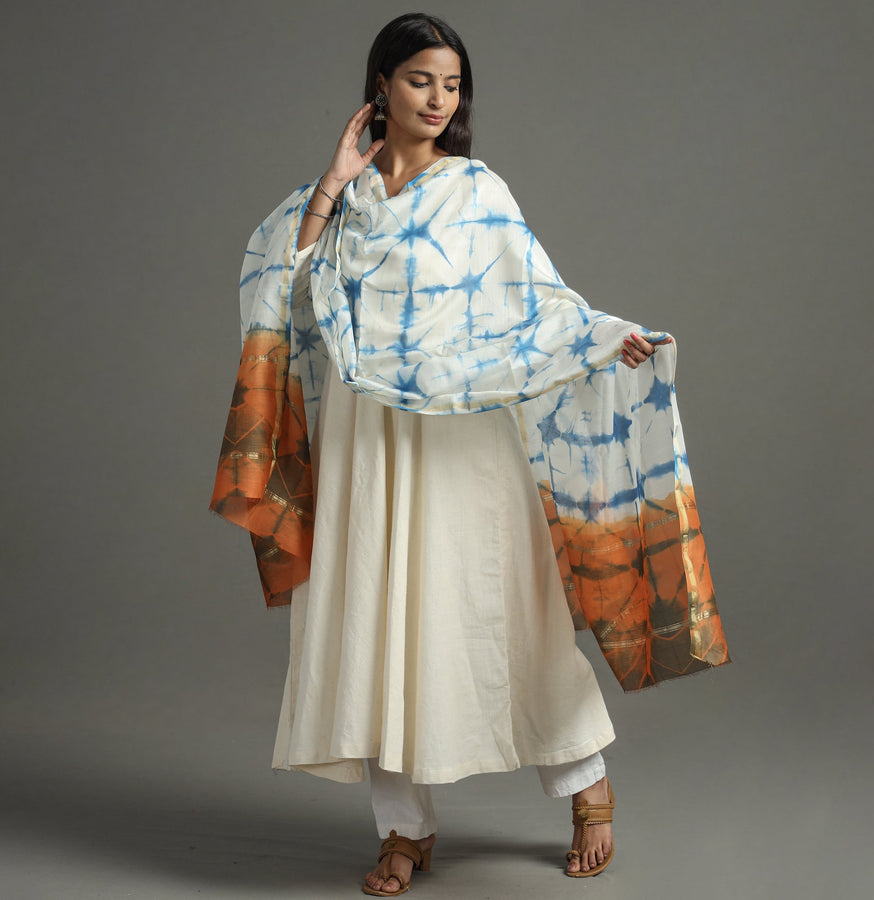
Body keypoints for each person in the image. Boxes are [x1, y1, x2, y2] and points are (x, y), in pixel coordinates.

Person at [211, 13, 729, 896]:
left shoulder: (477, 192)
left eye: (451, 85)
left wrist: (606, 337)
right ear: (381, 87)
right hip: (366, 437)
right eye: (420, 80)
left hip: (461, 434)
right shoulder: (346, 203)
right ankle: (403, 828)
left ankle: (585, 781)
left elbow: (538, 301)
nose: (438, 99)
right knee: (371, 620)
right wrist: (333, 184)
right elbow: (284, 292)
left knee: (503, 611)